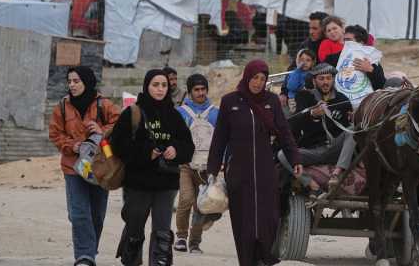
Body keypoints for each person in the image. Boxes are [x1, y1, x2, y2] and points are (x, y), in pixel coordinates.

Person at [207, 60, 303, 266]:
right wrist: (212, 170)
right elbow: (219, 139)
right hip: (238, 170)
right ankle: (247, 260)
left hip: (265, 169)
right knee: (243, 219)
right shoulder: (230, 101)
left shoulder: (272, 101)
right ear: (247, 76)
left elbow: (284, 132)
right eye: (255, 78)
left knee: (268, 216)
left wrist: (295, 158)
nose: (258, 83)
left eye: (262, 78)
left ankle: (264, 256)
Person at [111, 69, 194, 266]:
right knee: (135, 227)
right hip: (138, 182)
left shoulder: (174, 115)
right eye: (155, 85)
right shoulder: (133, 113)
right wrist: (147, 153)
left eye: (164, 85)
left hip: (167, 181)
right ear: (147, 86)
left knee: (162, 231)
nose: (160, 89)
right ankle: (131, 259)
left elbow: (188, 146)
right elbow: (118, 145)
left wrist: (176, 150)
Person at [49, 66, 120, 266]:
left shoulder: (103, 105)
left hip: (100, 167)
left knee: (96, 214)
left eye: (76, 81)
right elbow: (55, 134)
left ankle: (89, 249)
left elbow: (121, 124)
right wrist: (73, 145)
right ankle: (85, 256)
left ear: (87, 82)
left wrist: (102, 129)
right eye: (69, 81)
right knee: (79, 213)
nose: (72, 85)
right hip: (73, 167)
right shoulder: (61, 108)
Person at [287, 63, 354, 191]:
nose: (325, 82)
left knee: (353, 130)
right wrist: (312, 114)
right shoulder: (304, 97)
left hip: (334, 149)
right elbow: (294, 124)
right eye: (321, 79)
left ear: (333, 80)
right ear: (314, 80)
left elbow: (346, 129)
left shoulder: (342, 99)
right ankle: (308, 181)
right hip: (312, 150)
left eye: (329, 78)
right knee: (282, 154)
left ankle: (336, 173)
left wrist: (353, 118)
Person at [173, 74, 219, 254]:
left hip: (208, 168)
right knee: (185, 200)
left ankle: (195, 243)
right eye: (196, 90)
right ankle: (181, 237)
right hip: (186, 165)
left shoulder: (216, 113)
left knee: (202, 205)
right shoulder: (181, 113)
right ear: (190, 92)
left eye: (203, 89)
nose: (200, 93)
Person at [343, 25, 386, 91]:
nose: (345, 43)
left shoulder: (371, 61)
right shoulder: (337, 58)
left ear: (360, 43)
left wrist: (371, 70)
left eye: (348, 40)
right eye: (344, 40)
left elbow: (382, 85)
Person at [284, 49, 316, 113]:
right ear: (298, 61)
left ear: (312, 63)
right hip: (294, 100)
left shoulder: (313, 74)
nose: (304, 63)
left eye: (308, 60)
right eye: (302, 60)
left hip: (309, 99)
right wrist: (297, 71)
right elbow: (291, 87)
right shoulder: (294, 73)